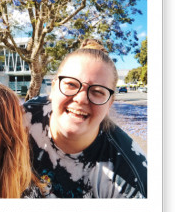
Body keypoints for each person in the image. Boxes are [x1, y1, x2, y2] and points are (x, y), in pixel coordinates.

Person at [24, 40, 147, 198]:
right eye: (71, 84)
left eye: (97, 91)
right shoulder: (22, 118)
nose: (81, 99)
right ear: (53, 88)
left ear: (110, 103)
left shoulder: (129, 177)